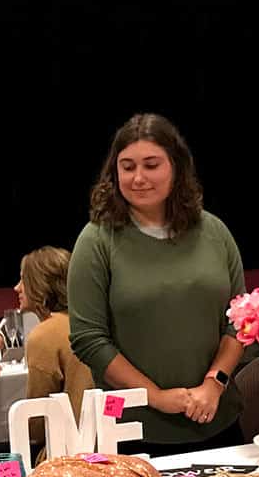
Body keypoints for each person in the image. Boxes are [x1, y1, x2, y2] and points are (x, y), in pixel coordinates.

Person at [68, 113, 244, 455]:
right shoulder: (97, 240)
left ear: (176, 168)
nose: (138, 178)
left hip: (218, 423)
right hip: (131, 434)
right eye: (127, 166)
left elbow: (239, 321)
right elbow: (89, 340)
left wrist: (214, 384)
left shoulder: (215, 232)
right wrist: (157, 397)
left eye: (151, 165)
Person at [16, 245, 93, 457]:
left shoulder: (44, 336)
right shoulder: (94, 322)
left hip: (65, 456)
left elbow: (36, 423)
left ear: (39, 284)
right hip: (110, 445)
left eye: (23, 279)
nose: (16, 288)